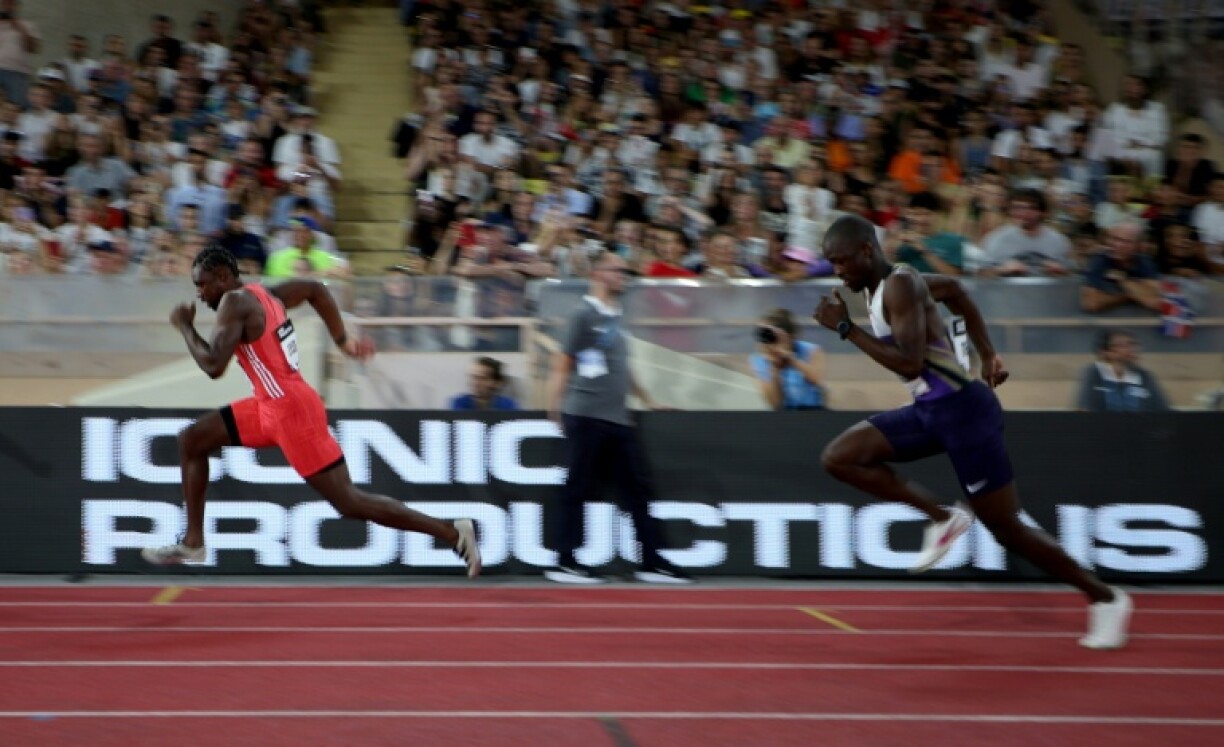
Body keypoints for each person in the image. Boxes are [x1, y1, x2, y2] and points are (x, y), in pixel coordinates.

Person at [814, 214, 1132, 650]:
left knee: (1007, 529)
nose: (837, 270)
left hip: (964, 414)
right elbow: (958, 291)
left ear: (866, 250)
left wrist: (845, 328)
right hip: (931, 411)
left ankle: (1106, 597)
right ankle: (944, 517)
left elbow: (909, 362)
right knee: (840, 457)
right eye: (831, 263)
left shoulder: (901, 285)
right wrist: (987, 353)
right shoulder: (887, 287)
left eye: (840, 261)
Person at [141, 245, 481, 578]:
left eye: (201, 284)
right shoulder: (264, 293)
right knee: (193, 440)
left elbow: (215, 366)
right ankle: (193, 542)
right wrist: (343, 340)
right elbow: (316, 290)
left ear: (222, 276)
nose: (199, 295)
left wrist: (185, 326)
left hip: (291, 412)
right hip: (268, 405)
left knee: (349, 503)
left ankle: (452, 533)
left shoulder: (234, 301)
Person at [544, 250, 691, 585]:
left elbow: (624, 368)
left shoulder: (616, 317)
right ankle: (565, 561)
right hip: (585, 414)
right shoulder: (582, 315)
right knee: (577, 487)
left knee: (637, 490)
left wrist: (649, 400)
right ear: (597, 272)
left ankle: (651, 561)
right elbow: (563, 363)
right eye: (616, 269)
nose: (623, 274)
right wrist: (554, 407)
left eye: (625, 269)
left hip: (618, 418)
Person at [1076, 330, 1170, 412]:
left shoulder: (1144, 376)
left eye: (1132, 344)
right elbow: (1084, 411)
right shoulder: (1094, 374)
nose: (1131, 349)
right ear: (1105, 352)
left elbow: (1163, 411)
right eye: (1122, 345)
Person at [750, 307, 826, 410]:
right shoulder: (759, 359)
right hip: (784, 414)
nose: (767, 338)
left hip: (812, 410)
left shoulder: (811, 350)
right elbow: (775, 403)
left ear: (788, 335)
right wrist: (774, 368)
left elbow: (815, 379)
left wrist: (790, 358)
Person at [450, 356, 519, 411]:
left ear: (497, 382)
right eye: (473, 377)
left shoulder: (508, 405)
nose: (475, 383)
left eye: (482, 378)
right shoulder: (459, 403)